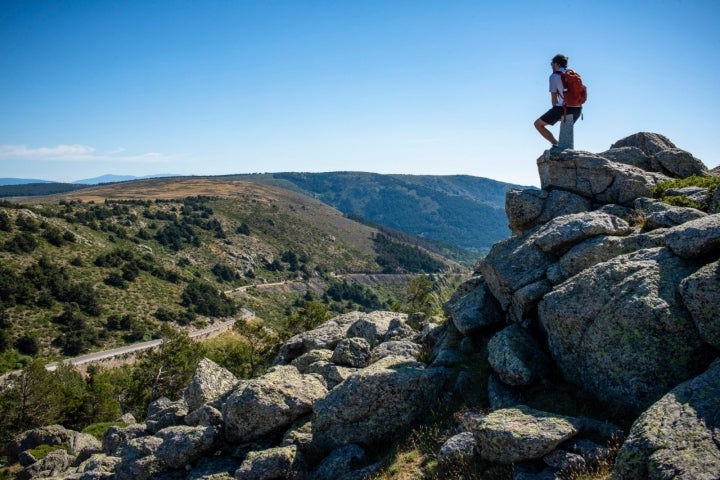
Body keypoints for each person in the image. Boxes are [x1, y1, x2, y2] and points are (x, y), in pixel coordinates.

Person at [534, 54, 582, 150]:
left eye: (552, 64)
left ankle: (555, 144)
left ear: (556, 64)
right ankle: (567, 150)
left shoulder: (554, 76)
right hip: (578, 109)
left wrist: (554, 110)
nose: (551, 66)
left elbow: (554, 97)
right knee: (565, 131)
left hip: (563, 109)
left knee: (538, 124)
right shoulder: (573, 74)